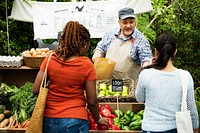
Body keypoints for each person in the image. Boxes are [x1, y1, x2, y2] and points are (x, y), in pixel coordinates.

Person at [32, 21, 108, 133]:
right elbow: (92, 101)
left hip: (49, 120)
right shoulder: (86, 65)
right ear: (83, 43)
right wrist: (98, 119)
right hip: (76, 121)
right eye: (88, 44)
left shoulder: (50, 59)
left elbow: (35, 89)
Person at [135, 33, 199, 133]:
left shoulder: (145, 74)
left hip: (150, 129)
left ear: (156, 51)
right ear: (175, 52)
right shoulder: (185, 76)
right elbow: (192, 109)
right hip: (175, 129)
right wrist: (195, 129)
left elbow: (139, 98)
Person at [92, 7, 153, 79]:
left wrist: (147, 64)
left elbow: (146, 59)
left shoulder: (141, 40)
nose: (128, 26)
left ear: (135, 22)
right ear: (119, 22)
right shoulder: (110, 34)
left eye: (131, 22)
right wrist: (98, 53)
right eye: (125, 22)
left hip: (128, 86)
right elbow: (100, 48)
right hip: (107, 84)